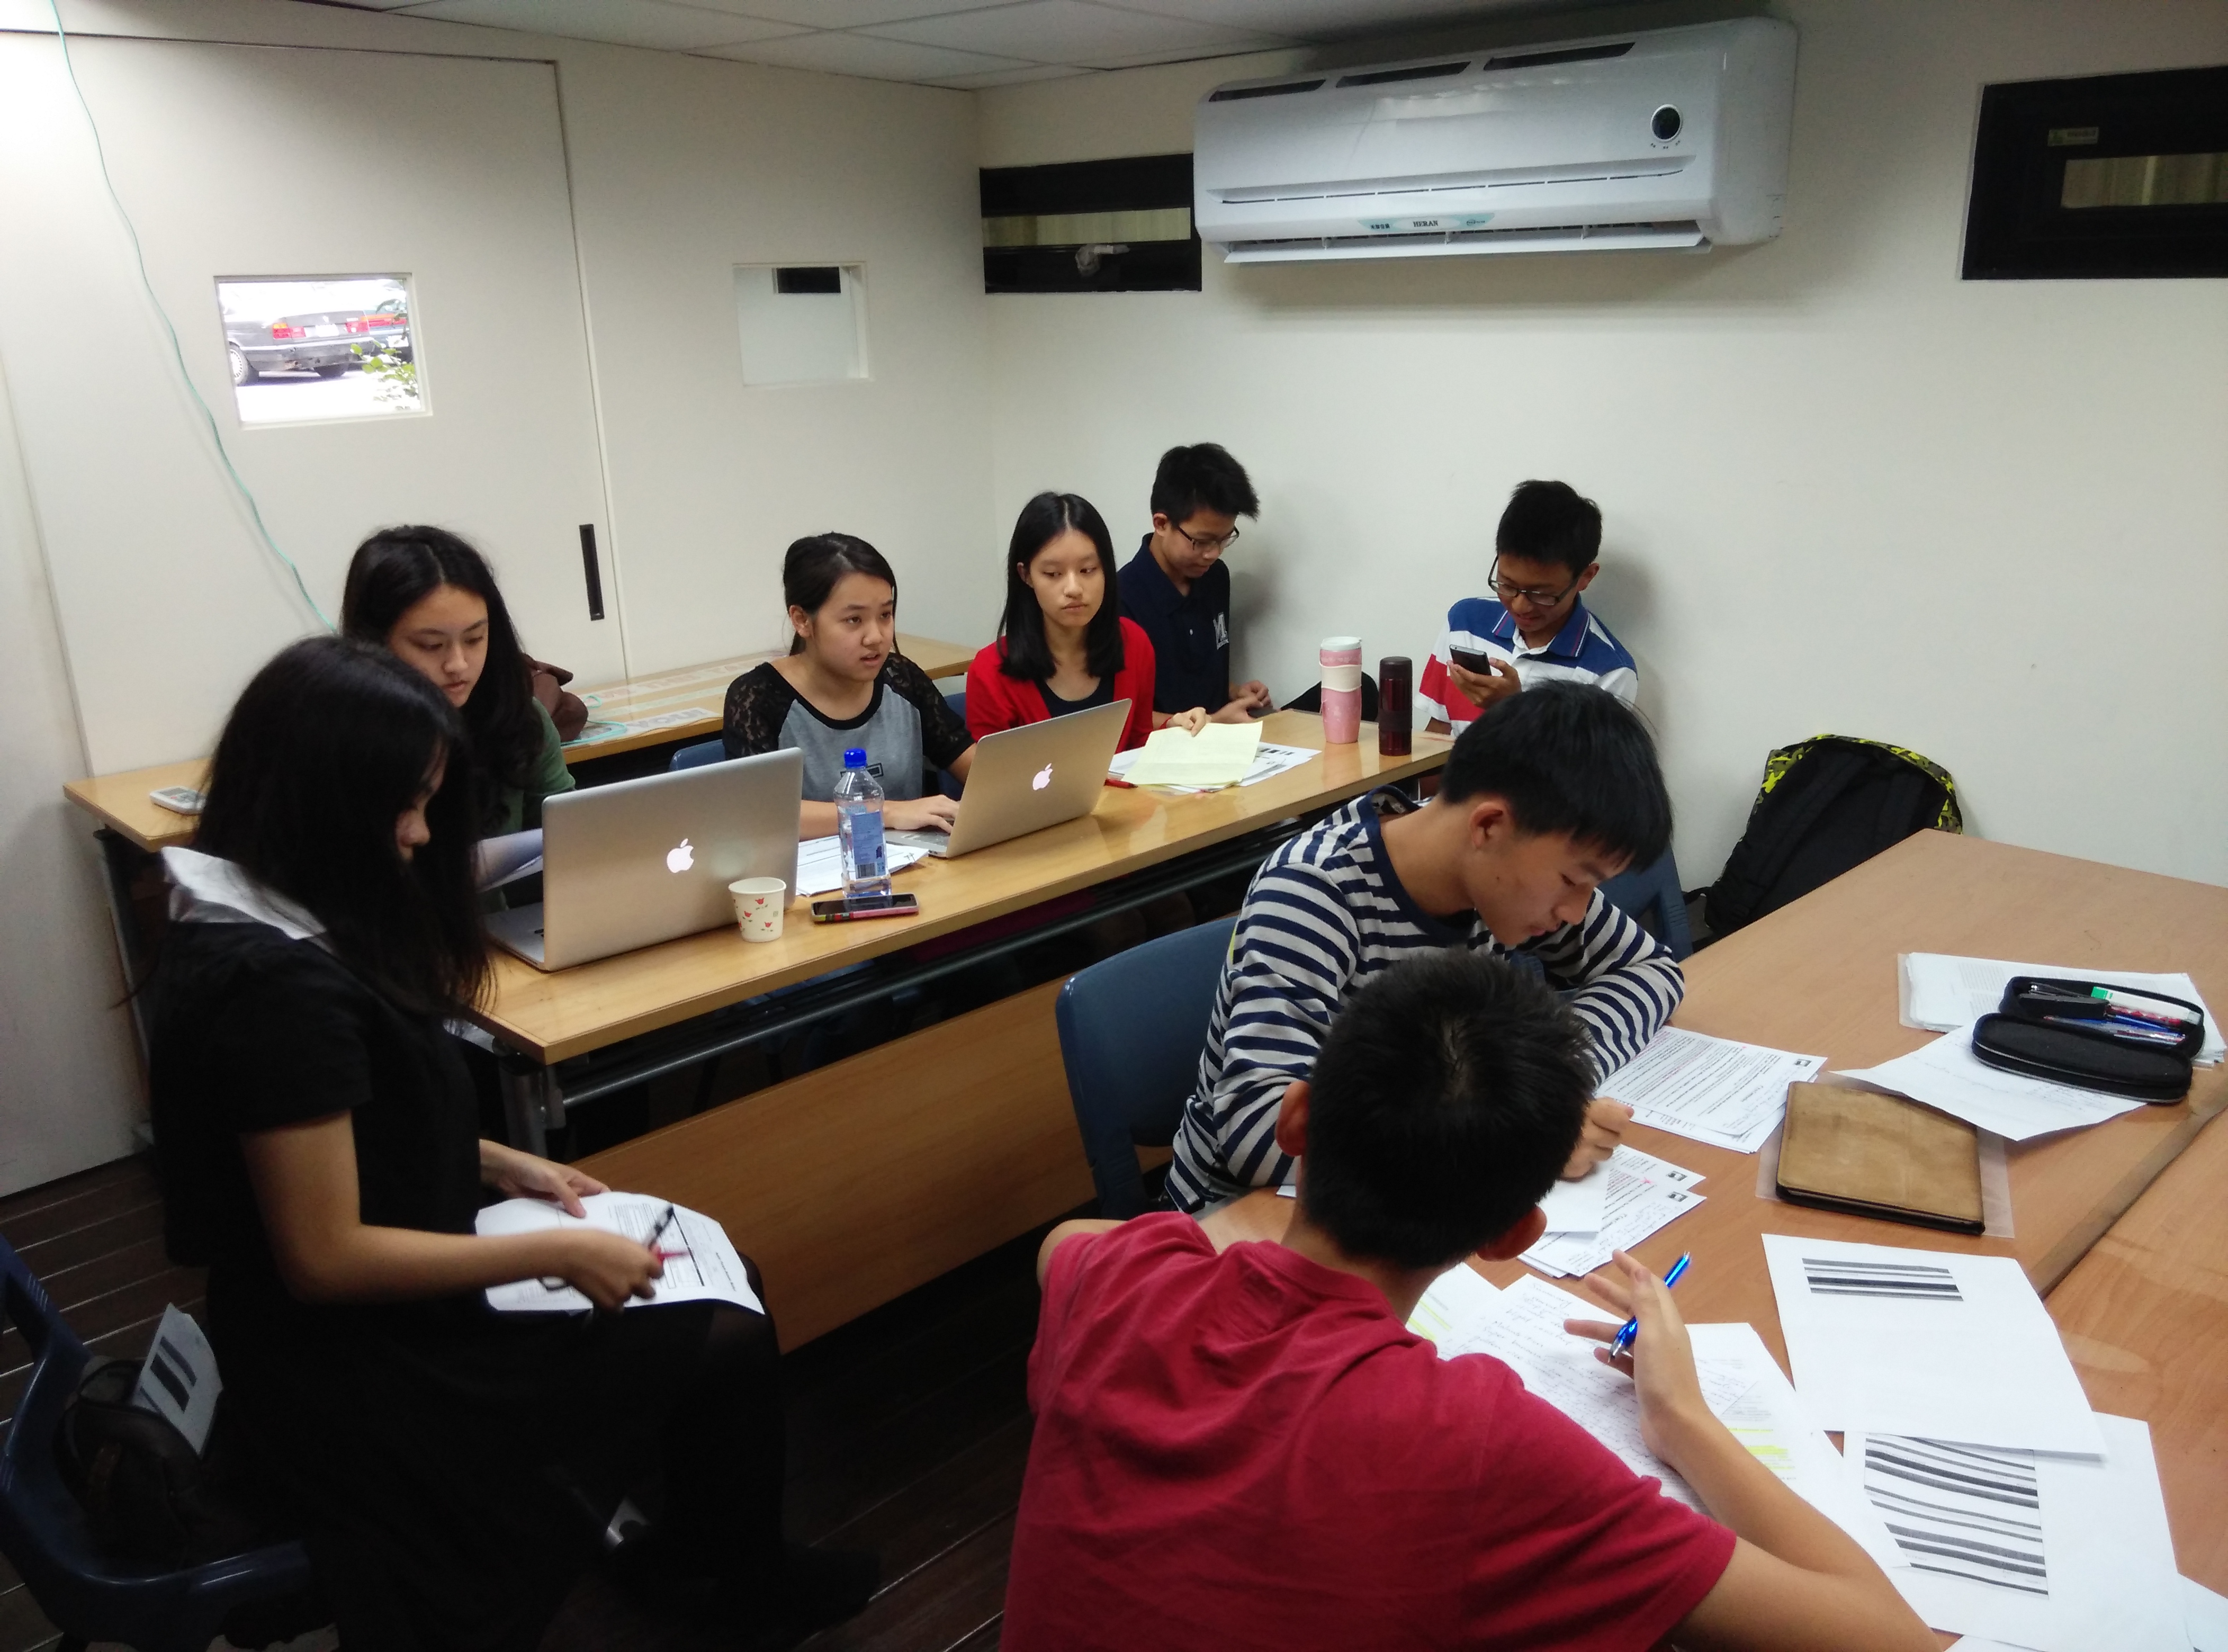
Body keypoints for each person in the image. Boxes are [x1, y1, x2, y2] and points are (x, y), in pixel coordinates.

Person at [147, 636, 875, 1651]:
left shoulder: (277, 912)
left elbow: (351, 1122)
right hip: (360, 1368)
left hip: (377, 1299)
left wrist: (500, 1159)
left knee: (723, 1287)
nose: (416, 834)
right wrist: (558, 1252)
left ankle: (709, 1557)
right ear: (315, 801)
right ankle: (737, 1580)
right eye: (400, 808)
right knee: (719, 1322)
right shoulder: (274, 988)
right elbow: (324, 1257)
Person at [1005, 951, 1935, 1652]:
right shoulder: (1475, 1444)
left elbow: (1062, 1248)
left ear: (1295, 1122)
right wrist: (1683, 1418)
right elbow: (1884, 1636)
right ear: (1511, 1235)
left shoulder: (1118, 1278)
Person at [1165, 681, 1681, 1214]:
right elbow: (1260, 1132)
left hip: (1405, 1197)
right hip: (1241, 1214)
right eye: (1573, 880)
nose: (1576, 911)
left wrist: (1553, 1082)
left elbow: (1651, 970)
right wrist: (1516, 1140)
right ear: (1489, 826)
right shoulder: (1316, 890)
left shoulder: (1499, 878)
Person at [723, 533, 975, 838]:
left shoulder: (901, 678)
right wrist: (886, 812)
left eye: (885, 615)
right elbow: (761, 813)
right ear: (802, 620)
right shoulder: (758, 698)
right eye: (854, 620)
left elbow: (973, 766)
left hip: (914, 859)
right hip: (814, 867)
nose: (876, 637)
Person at [342, 524, 575, 838]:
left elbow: (569, 834)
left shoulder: (519, 717)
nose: (458, 665)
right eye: (431, 645)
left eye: (474, 638)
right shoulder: (339, 740)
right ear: (374, 644)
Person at [967, 491, 1205, 751]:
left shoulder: (1133, 644)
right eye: (1053, 574)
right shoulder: (990, 671)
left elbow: (1137, 742)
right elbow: (994, 773)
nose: (1074, 589)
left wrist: (1172, 727)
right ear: (1026, 576)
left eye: (1088, 570)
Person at [1418, 479, 1640, 733]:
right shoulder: (1465, 623)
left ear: (1585, 577)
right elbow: (1438, 733)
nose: (1520, 606)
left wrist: (1514, 710)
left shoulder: (1610, 672)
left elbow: (1585, 762)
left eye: (1541, 594)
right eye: (1507, 584)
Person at [1116, 443, 1271, 725]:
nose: (1213, 554)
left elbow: (1194, 673)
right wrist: (1215, 723)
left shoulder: (1216, 577)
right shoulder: (1121, 598)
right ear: (1161, 524)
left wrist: (1235, 692)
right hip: (1167, 745)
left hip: (1221, 736)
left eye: (1224, 539)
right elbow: (1122, 718)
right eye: (1201, 542)